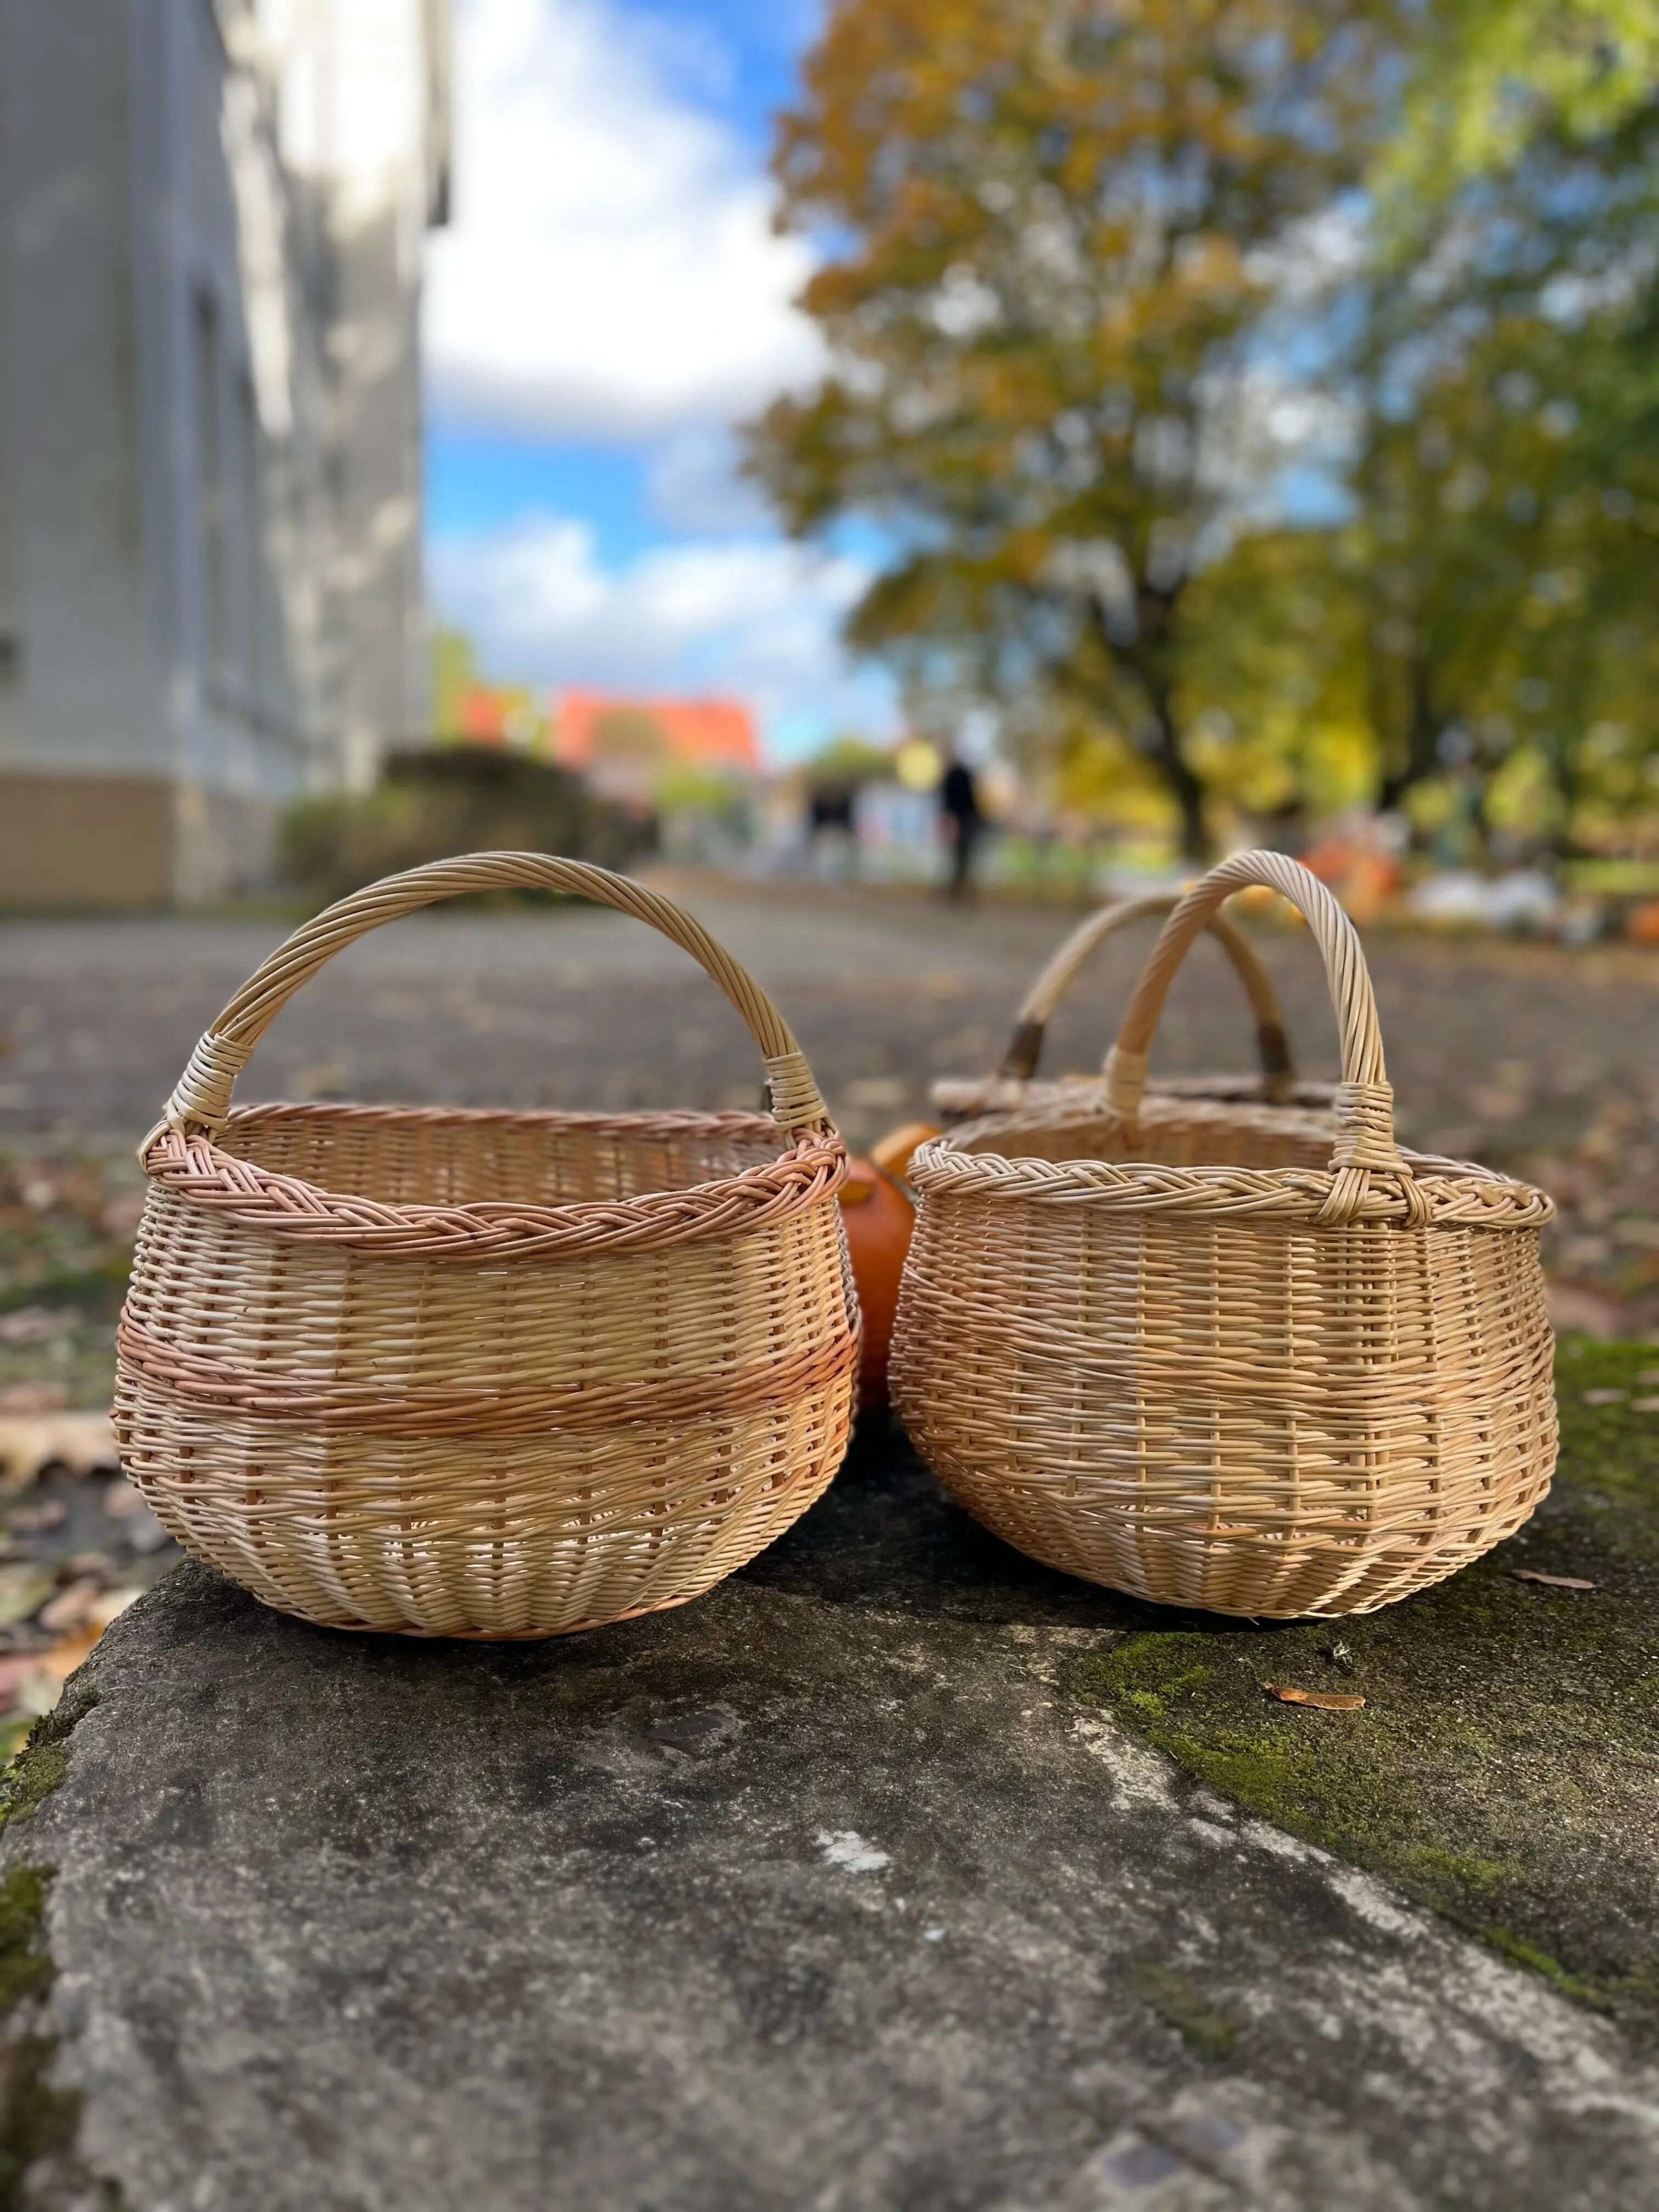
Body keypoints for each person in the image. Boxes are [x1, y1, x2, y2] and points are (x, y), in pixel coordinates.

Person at [939, 753, 983, 900]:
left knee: (959, 856)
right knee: (962, 857)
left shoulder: (953, 777)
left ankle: (958, 889)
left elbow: (949, 801)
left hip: (960, 819)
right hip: (965, 819)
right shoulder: (963, 776)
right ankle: (958, 889)